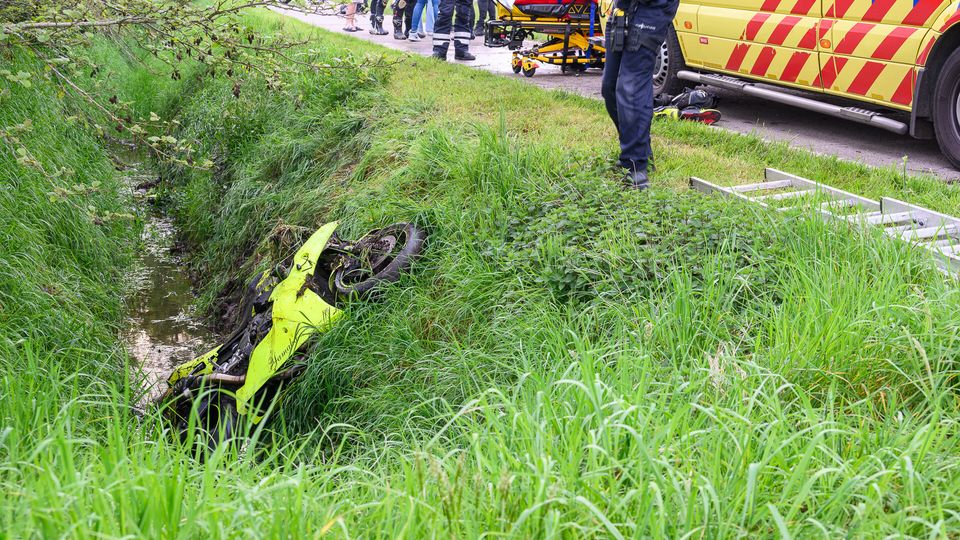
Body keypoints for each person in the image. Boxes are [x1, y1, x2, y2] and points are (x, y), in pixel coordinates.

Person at [600, 0, 679, 189]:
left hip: (652, 10)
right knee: (609, 87)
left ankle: (636, 165)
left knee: (631, 87)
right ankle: (640, 149)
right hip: (623, 8)